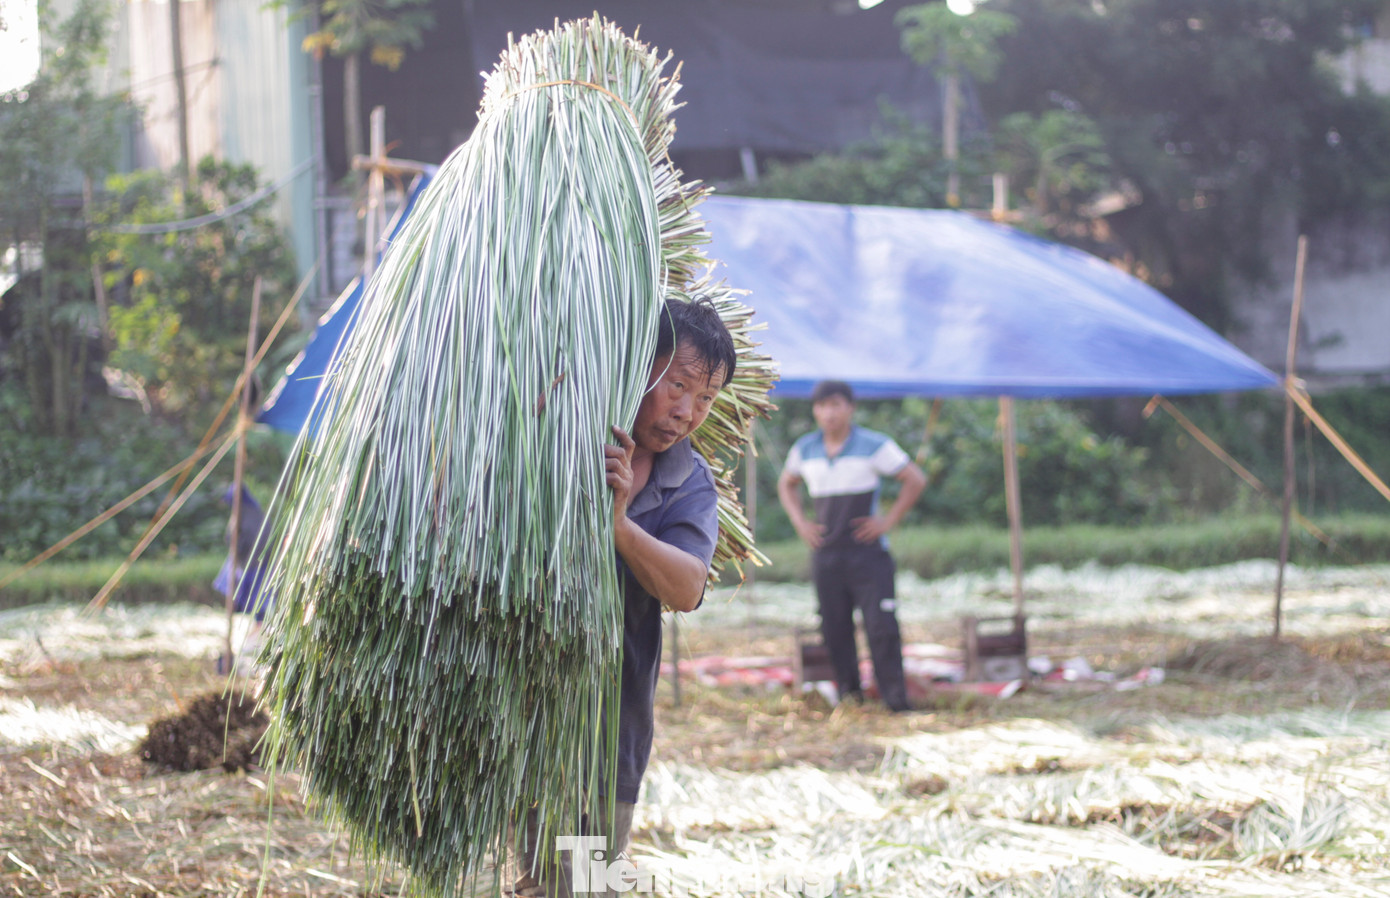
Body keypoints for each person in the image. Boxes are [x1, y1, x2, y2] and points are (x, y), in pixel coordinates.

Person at [512, 296, 737, 898]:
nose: (687, 412)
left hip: (616, 712)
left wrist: (620, 528)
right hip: (525, 701)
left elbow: (689, 586)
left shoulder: (687, 479)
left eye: (706, 398)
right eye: (678, 386)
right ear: (639, 366)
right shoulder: (563, 433)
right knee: (548, 876)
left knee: (590, 874)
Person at [777, 380, 926, 713]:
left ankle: (896, 701)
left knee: (881, 626)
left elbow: (914, 478)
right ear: (815, 410)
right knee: (833, 626)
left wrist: (887, 521)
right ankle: (851, 698)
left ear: (850, 408)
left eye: (836, 405)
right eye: (822, 406)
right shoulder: (805, 449)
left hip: (868, 554)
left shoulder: (873, 444)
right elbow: (786, 484)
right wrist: (801, 524)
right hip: (826, 554)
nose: (829, 413)